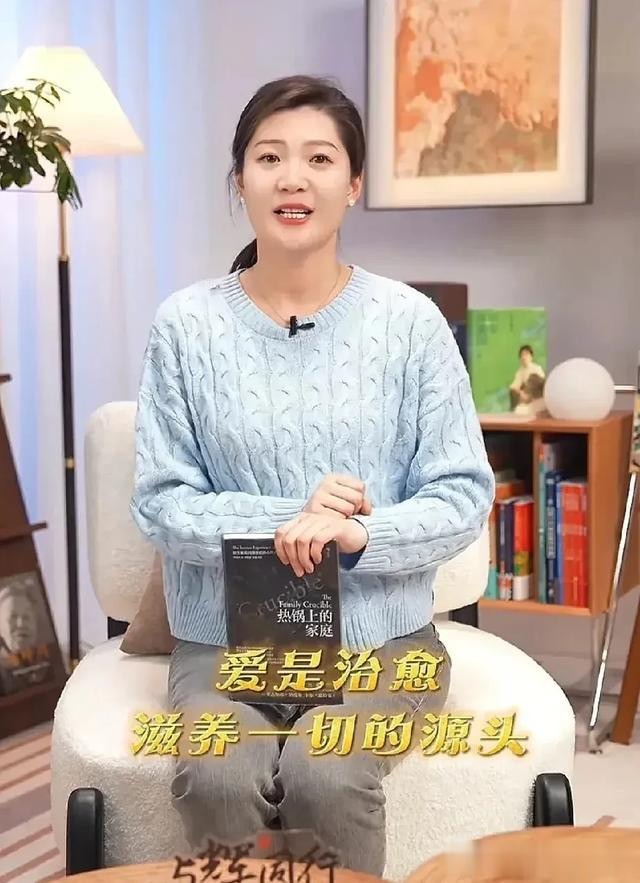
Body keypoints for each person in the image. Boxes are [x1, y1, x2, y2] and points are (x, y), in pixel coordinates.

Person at [130, 75, 495, 875]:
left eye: (319, 159)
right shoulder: (185, 325)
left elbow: (463, 494)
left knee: (325, 772)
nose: (292, 178)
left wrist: (358, 534)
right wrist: (292, 519)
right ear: (240, 180)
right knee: (219, 777)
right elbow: (161, 503)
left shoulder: (409, 323)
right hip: (227, 640)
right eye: (269, 158)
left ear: (353, 183)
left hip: (382, 638)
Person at [509, 344, 546, 415]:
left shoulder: (537, 369)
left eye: (526, 354)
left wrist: (529, 396)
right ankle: (512, 412)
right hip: (527, 400)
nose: (524, 357)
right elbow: (514, 387)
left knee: (533, 378)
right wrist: (521, 393)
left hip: (538, 399)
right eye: (522, 355)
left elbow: (542, 385)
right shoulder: (520, 371)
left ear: (531, 357)